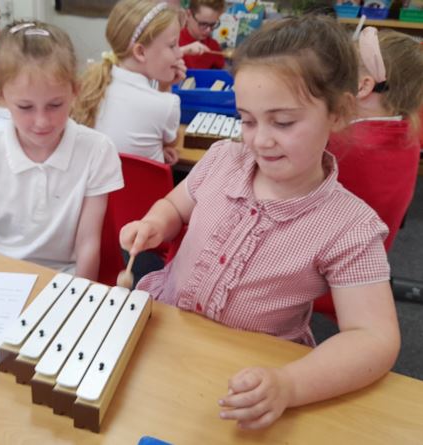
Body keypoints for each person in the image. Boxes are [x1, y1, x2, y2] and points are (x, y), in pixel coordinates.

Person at [120, 15, 400, 429]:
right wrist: (155, 223)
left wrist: (289, 384)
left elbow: (374, 339)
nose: (259, 140)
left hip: (251, 377)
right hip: (167, 335)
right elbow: (176, 206)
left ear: (339, 112)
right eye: (247, 120)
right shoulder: (221, 160)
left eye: (283, 122)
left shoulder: (350, 227)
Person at [0, 21, 124, 280]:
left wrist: (81, 300)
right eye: (25, 107)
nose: (42, 122)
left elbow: (88, 244)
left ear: (75, 90)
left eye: (55, 105)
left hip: (63, 278)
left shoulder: (97, 150)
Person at [330, 27, 423, 250]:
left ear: (363, 85)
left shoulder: (341, 146)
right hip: (372, 259)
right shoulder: (408, 132)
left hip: (325, 269)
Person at [72, 0, 184, 165]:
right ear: (140, 52)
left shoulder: (94, 85)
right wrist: (166, 87)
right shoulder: (166, 104)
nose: (180, 53)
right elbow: (172, 141)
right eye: (172, 45)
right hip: (147, 191)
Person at [179, 0, 225, 69]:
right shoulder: (173, 40)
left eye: (212, 24)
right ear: (188, 15)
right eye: (203, 24)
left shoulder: (213, 46)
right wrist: (183, 50)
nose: (208, 30)